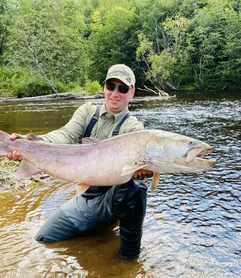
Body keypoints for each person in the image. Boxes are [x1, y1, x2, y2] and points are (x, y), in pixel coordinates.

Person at [8, 64, 151, 259]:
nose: (115, 93)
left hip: (114, 195)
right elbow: (65, 135)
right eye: (111, 86)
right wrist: (35, 143)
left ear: (132, 92)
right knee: (44, 237)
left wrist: (142, 169)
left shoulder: (134, 128)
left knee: (136, 188)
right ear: (104, 87)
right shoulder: (87, 112)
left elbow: (137, 167)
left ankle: (129, 261)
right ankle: (101, 225)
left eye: (123, 89)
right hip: (87, 196)